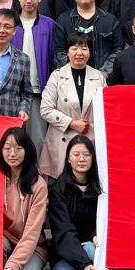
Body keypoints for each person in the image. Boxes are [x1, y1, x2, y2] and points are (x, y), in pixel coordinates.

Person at [48, 135, 110, 270]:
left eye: (86, 154)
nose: (81, 159)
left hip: (92, 248)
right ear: (68, 158)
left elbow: (104, 219)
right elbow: (63, 231)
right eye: (76, 154)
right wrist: (84, 264)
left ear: (93, 158)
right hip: (64, 252)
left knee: (92, 249)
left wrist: (95, 234)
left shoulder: (101, 187)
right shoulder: (58, 190)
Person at [0, 126, 48, 270]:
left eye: (18, 148)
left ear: (27, 151)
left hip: (32, 244)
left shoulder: (38, 185)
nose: (12, 153)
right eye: (7, 148)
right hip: (5, 239)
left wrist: (13, 266)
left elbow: (32, 234)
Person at [39, 33, 106, 178]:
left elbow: (106, 110)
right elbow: (45, 109)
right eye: (74, 48)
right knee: (62, 184)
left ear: (90, 52)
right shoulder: (57, 76)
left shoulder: (99, 77)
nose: (79, 53)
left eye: (84, 48)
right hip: (62, 138)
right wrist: (71, 123)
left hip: (90, 139)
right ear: (67, 52)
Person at [11, 0, 56, 153]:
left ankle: (37, 171)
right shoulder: (10, 22)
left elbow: (54, 58)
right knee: (11, 139)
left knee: (38, 140)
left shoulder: (49, 25)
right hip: (11, 91)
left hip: (38, 91)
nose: (28, 0)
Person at [53, 0, 122, 78]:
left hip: (104, 80)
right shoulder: (63, 20)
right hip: (71, 79)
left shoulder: (110, 20)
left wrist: (101, 75)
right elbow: (59, 51)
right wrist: (74, 72)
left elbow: (117, 51)